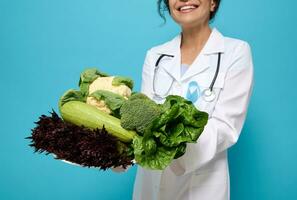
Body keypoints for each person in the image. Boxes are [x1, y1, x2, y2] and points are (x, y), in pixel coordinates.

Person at [131, 0, 254, 199]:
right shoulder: (155, 56)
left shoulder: (235, 52)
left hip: (201, 184)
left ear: (213, 3)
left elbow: (225, 126)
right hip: (151, 183)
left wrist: (171, 149)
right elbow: (143, 120)